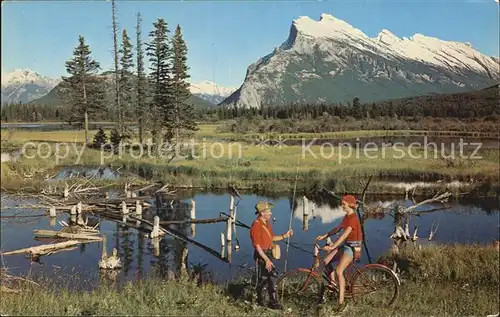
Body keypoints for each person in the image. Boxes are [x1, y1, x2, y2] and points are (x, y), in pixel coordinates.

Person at [315, 194, 362, 312]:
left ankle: (341, 303)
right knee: (325, 262)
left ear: (350, 205)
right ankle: (333, 285)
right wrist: (325, 235)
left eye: (344, 204)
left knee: (339, 271)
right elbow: (337, 229)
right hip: (346, 245)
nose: (342, 206)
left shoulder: (353, 219)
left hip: (352, 248)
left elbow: (344, 235)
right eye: (342, 204)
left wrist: (333, 247)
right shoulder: (347, 216)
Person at [250, 200, 293, 310]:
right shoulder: (256, 225)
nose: (271, 213)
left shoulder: (266, 223)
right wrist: (266, 260)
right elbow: (257, 246)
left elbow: (272, 238)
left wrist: (285, 235)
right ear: (262, 213)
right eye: (269, 211)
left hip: (268, 253)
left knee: (264, 278)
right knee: (272, 275)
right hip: (262, 255)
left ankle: (260, 300)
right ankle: (272, 303)